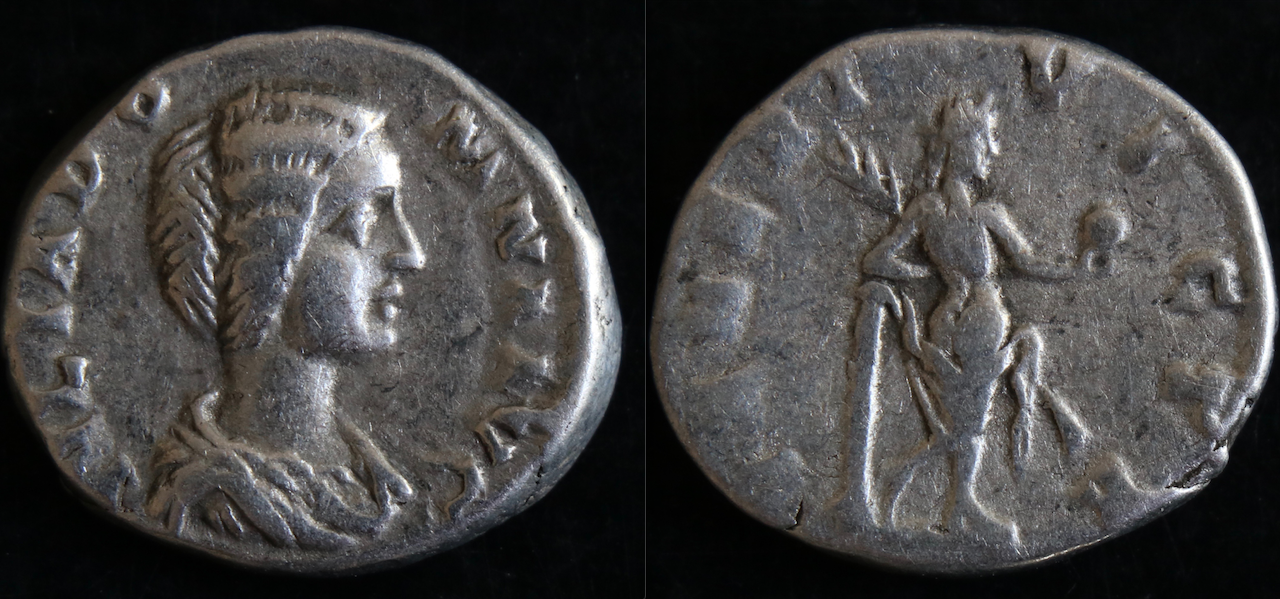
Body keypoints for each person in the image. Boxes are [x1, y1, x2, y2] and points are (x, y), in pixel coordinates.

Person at [145, 83, 426, 549]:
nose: (410, 253)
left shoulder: (377, 481)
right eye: (363, 219)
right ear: (269, 260)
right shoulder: (196, 497)